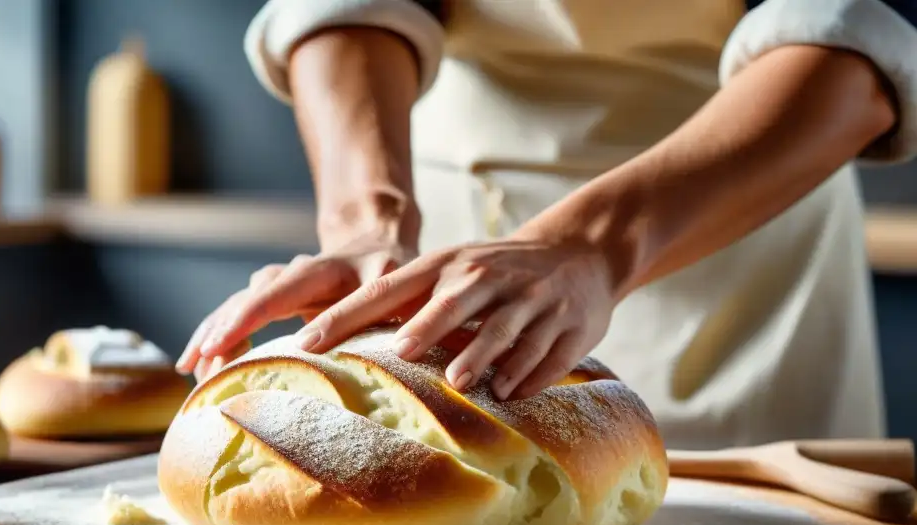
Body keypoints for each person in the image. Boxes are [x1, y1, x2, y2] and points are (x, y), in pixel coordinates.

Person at [177, 0, 917, 450]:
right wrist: (367, 222)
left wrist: (589, 246)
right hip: (453, 252)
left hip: (737, 226)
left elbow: (859, 41)